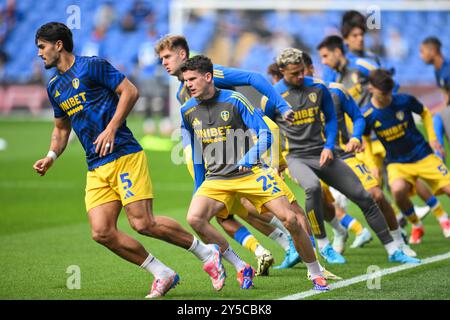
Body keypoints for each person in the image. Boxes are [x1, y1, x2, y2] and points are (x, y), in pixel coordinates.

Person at [32, 22, 226, 299]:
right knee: (101, 232)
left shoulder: (92, 66)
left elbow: (130, 91)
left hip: (123, 153)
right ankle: (162, 273)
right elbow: (61, 129)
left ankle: (207, 253)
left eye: (42, 47)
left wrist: (111, 127)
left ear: (58, 45)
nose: (39, 54)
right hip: (95, 165)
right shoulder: (54, 87)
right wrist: (51, 155)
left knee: (142, 223)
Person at [154, 34, 306, 275]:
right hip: (214, 154)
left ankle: (315, 254)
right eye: (161, 58)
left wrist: (283, 106)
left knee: (282, 204)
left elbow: (253, 78)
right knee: (231, 212)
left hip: (249, 143)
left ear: (182, 55)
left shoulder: (210, 73)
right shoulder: (182, 94)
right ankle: (283, 246)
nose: (163, 62)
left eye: (166, 56)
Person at [180, 54, 329, 291]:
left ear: (208, 77)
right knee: (194, 218)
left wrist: (249, 158)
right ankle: (240, 265)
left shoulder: (235, 100)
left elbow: (266, 134)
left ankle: (316, 273)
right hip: (217, 179)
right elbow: (197, 152)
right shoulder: (187, 110)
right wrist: (200, 186)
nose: (187, 84)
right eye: (185, 80)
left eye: (192, 79)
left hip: (252, 174)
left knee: (290, 219)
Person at [262, 48, 420, 264]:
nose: (300, 77)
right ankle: (325, 246)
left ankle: (394, 250)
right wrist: (275, 163)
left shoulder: (318, 88)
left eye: (302, 71)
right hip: (296, 157)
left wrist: (328, 146)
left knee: (366, 197)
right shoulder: (272, 96)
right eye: (294, 74)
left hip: (325, 153)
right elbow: (267, 129)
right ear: (282, 71)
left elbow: (332, 119)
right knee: (313, 187)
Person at [318, 35, 445, 240]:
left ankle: (434, 216)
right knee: (379, 185)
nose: (323, 61)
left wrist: (387, 109)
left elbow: (386, 82)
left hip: (381, 131)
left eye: (325, 56)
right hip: (361, 137)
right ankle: (404, 222)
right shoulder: (337, 80)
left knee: (398, 174)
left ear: (337, 51)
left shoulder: (361, 65)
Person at [301, 51, 415, 256]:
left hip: (342, 155)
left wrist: (355, 137)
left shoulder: (335, 91)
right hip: (313, 158)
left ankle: (398, 242)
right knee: (319, 200)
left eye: (302, 71)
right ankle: (337, 233)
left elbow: (358, 116)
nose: (299, 77)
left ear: (311, 69)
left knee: (376, 194)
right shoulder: (288, 99)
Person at [363, 69, 450, 240]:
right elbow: (365, 139)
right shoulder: (368, 114)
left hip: (422, 155)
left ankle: (443, 218)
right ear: (371, 89)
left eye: (389, 92)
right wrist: (373, 166)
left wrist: (432, 138)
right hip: (397, 162)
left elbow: (425, 112)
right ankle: (416, 225)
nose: (387, 97)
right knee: (397, 191)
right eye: (383, 93)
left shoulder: (404, 100)